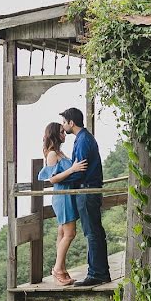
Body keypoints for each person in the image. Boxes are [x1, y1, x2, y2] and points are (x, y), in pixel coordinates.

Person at [60, 107, 111, 287]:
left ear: (71, 123)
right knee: (94, 232)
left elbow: (80, 170)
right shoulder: (84, 138)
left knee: (92, 233)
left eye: (64, 122)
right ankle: (99, 272)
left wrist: (60, 180)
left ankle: (97, 273)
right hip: (89, 189)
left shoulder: (83, 141)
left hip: (87, 190)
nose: (63, 126)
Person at [37, 122, 87, 286]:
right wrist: (73, 169)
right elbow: (52, 179)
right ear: (54, 134)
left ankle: (62, 269)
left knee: (62, 234)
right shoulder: (52, 154)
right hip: (62, 196)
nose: (64, 134)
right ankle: (58, 270)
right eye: (61, 132)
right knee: (70, 233)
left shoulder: (60, 152)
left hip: (68, 195)